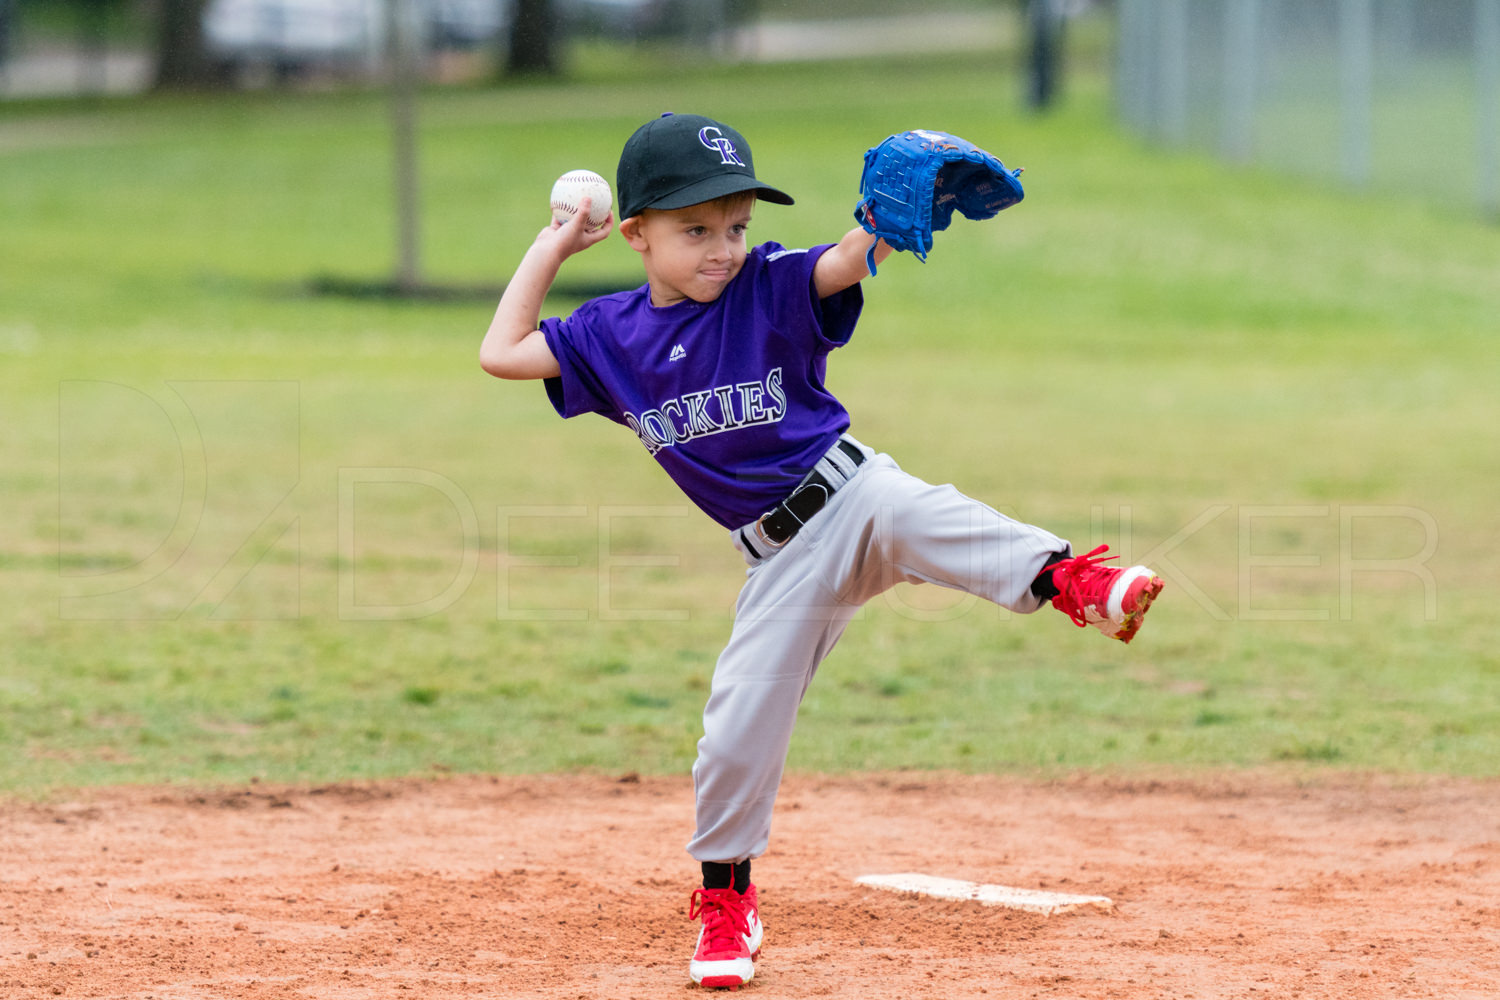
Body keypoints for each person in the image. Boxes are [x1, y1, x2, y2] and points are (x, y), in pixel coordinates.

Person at [479, 112, 1165, 989]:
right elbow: (500, 352)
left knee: (929, 515)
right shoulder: (610, 338)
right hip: (778, 562)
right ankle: (728, 906)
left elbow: (839, 261)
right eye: (694, 229)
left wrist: (877, 229)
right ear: (639, 233)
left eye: (735, 225)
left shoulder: (767, 285)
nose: (722, 247)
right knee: (734, 732)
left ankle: (1079, 581)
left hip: (852, 494)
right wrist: (556, 245)